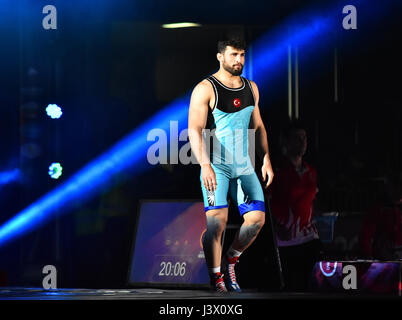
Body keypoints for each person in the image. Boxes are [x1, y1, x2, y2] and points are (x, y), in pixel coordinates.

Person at [188, 38, 274, 292]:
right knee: (217, 224)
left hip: (244, 165)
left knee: (256, 220)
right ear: (220, 57)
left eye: (242, 55)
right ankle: (216, 280)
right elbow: (194, 129)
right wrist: (204, 164)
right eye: (234, 55)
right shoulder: (205, 88)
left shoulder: (251, 87)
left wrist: (266, 158)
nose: (239, 60)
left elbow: (257, 126)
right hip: (217, 165)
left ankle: (230, 260)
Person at [266, 121, 322, 292]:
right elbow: (268, 203)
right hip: (287, 243)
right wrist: (280, 224)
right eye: (297, 138)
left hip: (310, 238)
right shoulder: (276, 172)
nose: (302, 142)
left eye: (304, 137)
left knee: (313, 287)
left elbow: (312, 201)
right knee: (292, 289)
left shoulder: (311, 171)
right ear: (286, 142)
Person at [359, 173, 402, 260]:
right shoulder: (378, 210)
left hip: (395, 256)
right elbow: (366, 236)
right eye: (396, 188)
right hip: (380, 258)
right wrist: (368, 255)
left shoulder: (396, 211)